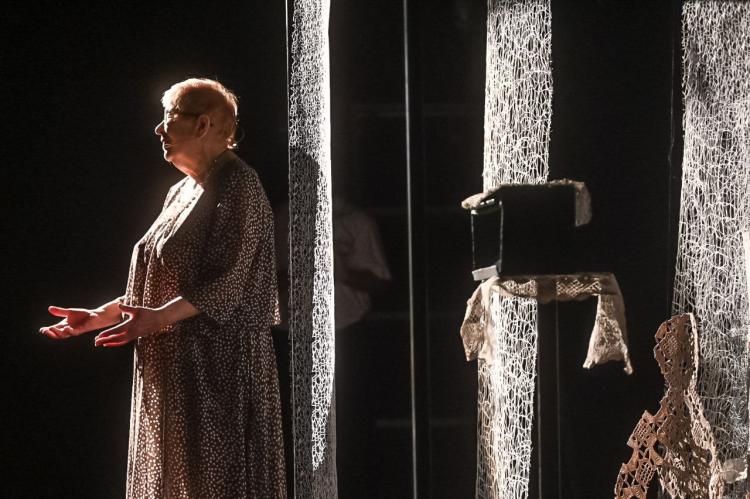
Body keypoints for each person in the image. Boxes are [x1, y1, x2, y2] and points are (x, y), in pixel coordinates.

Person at [39, 78, 286, 498]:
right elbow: (161, 281)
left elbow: (229, 281)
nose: (158, 129)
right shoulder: (181, 191)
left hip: (217, 370)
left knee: (214, 484)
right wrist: (102, 315)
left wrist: (157, 318)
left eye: (169, 117)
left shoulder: (238, 183)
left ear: (203, 124)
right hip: (176, 367)